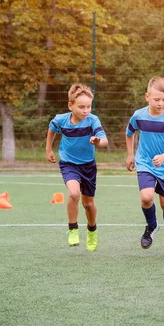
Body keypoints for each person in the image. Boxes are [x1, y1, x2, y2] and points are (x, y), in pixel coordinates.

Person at [46, 83, 108, 252]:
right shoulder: (61, 120)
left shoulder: (93, 120)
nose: (86, 110)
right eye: (81, 107)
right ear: (70, 106)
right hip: (68, 163)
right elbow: (52, 129)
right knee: (74, 193)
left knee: (88, 204)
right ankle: (73, 229)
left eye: (88, 106)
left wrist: (97, 141)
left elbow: (104, 140)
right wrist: (49, 149)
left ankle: (92, 231)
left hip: (88, 166)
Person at [126, 77, 164, 256]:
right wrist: (130, 154)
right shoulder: (138, 115)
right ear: (147, 97)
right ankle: (151, 226)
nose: (160, 103)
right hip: (144, 162)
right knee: (146, 197)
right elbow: (130, 133)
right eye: (156, 99)